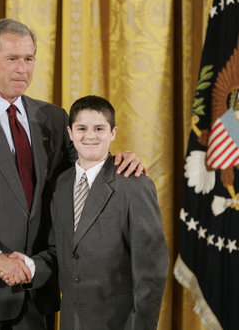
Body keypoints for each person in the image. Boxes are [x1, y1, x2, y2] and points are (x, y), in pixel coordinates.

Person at [0, 19, 145, 330]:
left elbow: (84, 171)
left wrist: (118, 161)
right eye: (12, 59)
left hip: (38, 290)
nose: (23, 68)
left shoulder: (54, 118)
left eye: (29, 59)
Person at [48, 95, 169, 329]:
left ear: (113, 133)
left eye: (99, 128)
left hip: (119, 322)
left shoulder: (135, 185)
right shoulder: (60, 185)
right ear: (70, 133)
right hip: (71, 321)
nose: (90, 136)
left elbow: (151, 271)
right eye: (81, 128)